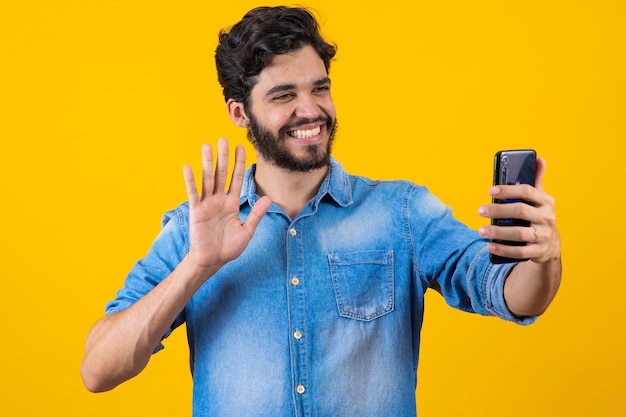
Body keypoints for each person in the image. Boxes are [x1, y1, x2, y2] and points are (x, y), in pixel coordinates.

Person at [80, 6, 561, 417]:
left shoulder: (403, 213)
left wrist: (541, 259)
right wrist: (197, 267)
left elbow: (511, 295)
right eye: (284, 95)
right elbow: (99, 370)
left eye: (319, 88)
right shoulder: (194, 231)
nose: (310, 110)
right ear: (239, 113)